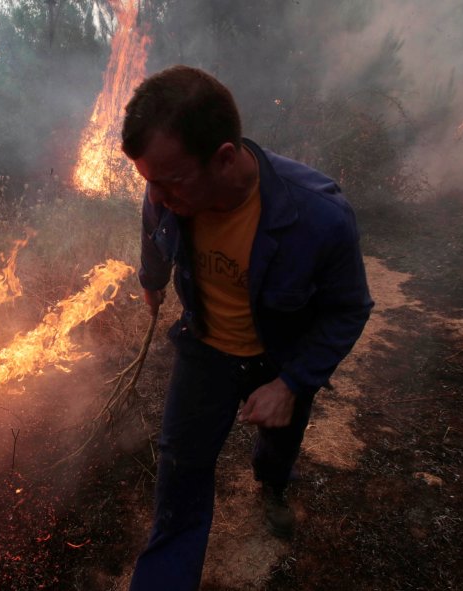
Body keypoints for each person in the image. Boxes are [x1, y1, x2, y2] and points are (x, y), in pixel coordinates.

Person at [122, 65, 373, 591]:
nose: (159, 196)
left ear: (224, 159)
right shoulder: (167, 190)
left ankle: (274, 486)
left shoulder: (319, 217)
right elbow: (154, 223)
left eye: (170, 182)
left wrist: (291, 385)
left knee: (278, 446)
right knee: (181, 473)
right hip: (205, 349)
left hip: (281, 353)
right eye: (150, 182)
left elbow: (348, 309)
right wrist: (153, 277)